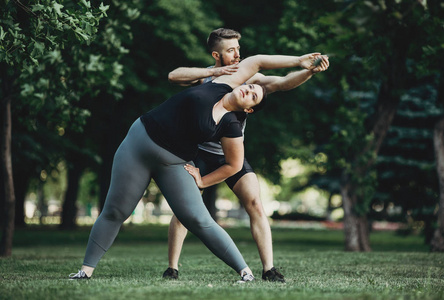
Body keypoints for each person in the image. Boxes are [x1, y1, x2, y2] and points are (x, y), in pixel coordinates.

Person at [68, 49, 327, 282]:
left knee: (199, 218)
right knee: (115, 211)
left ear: (249, 110)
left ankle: (246, 272)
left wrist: (202, 181)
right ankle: (85, 271)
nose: (248, 90)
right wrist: (298, 60)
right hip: (139, 142)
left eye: (253, 96)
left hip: (174, 161)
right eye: (250, 87)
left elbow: (234, 164)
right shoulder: (222, 82)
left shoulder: (232, 127)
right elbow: (257, 62)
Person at [163, 28, 330, 282]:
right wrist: (211, 72)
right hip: (199, 155)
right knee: (185, 210)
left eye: (238, 49)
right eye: (231, 50)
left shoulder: (249, 79)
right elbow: (174, 76)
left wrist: (308, 71)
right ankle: (172, 268)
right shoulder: (208, 79)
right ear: (216, 55)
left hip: (231, 157)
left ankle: (269, 269)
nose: (237, 55)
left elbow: (283, 83)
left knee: (255, 203)